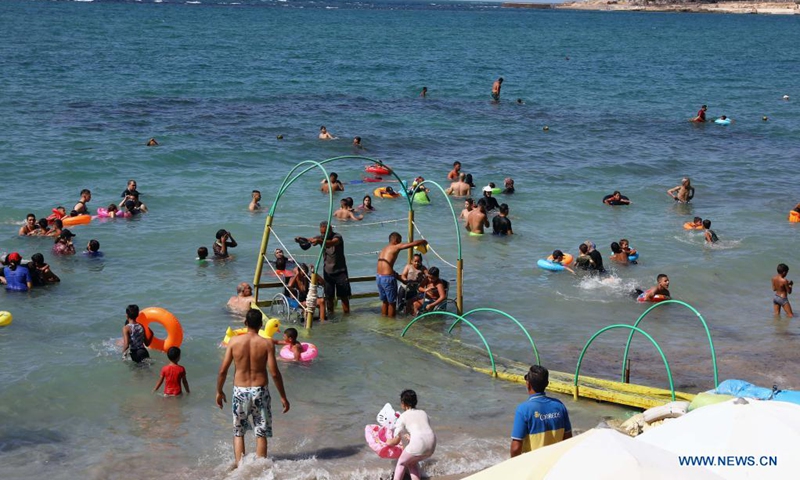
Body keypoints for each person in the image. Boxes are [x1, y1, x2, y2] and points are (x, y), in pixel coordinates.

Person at [216, 309, 290, 464]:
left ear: (245, 323)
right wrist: (283, 396)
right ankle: (260, 470)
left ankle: (240, 468)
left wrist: (219, 391)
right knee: (261, 432)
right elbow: (275, 373)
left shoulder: (234, 342)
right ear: (261, 325)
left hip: (240, 391)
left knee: (238, 432)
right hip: (260, 390)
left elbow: (223, 370)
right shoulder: (267, 343)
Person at [510, 365, 572, 457]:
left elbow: (515, 448)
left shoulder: (523, 410)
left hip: (534, 464)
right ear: (547, 384)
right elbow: (568, 439)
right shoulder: (559, 406)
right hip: (555, 461)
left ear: (528, 384)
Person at [386, 389, 437, 480]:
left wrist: (388, 442)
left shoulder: (403, 416)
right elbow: (423, 430)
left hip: (418, 444)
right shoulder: (424, 413)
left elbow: (396, 441)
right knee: (411, 462)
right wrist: (412, 438)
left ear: (403, 403)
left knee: (401, 463)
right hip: (432, 444)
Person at [302, 221, 350, 314]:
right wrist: (301, 239)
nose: (323, 234)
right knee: (329, 297)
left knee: (344, 296)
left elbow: (332, 243)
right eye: (321, 233)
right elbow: (311, 240)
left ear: (330, 230)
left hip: (340, 272)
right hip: (328, 272)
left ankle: (346, 315)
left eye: (325, 232)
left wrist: (320, 241)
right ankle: (331, 314)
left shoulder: (337, 237)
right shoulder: (321, 238)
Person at [377, 232, 428, 318]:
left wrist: (398, 276)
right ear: (396, 240)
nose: (401, 243)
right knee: (392, 303)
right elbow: (412, 244)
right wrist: (423, 241)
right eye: (400, 241)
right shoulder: (395, 246)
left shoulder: (384, 249)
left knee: (385, 301)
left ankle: (384, 320)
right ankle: (391, 323)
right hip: (388, 278)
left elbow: (386, 266)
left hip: (379, 277)